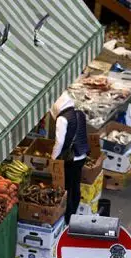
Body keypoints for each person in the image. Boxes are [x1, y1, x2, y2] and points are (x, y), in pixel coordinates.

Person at [51, 93, 90, 226]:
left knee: (67, 188)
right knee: (76, 185)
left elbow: (59, 142)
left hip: (71, 159)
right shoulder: (79, 114)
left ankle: (68, 218)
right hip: (82, 155)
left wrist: (53, 158)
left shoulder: (62, 119)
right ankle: (74, 214)